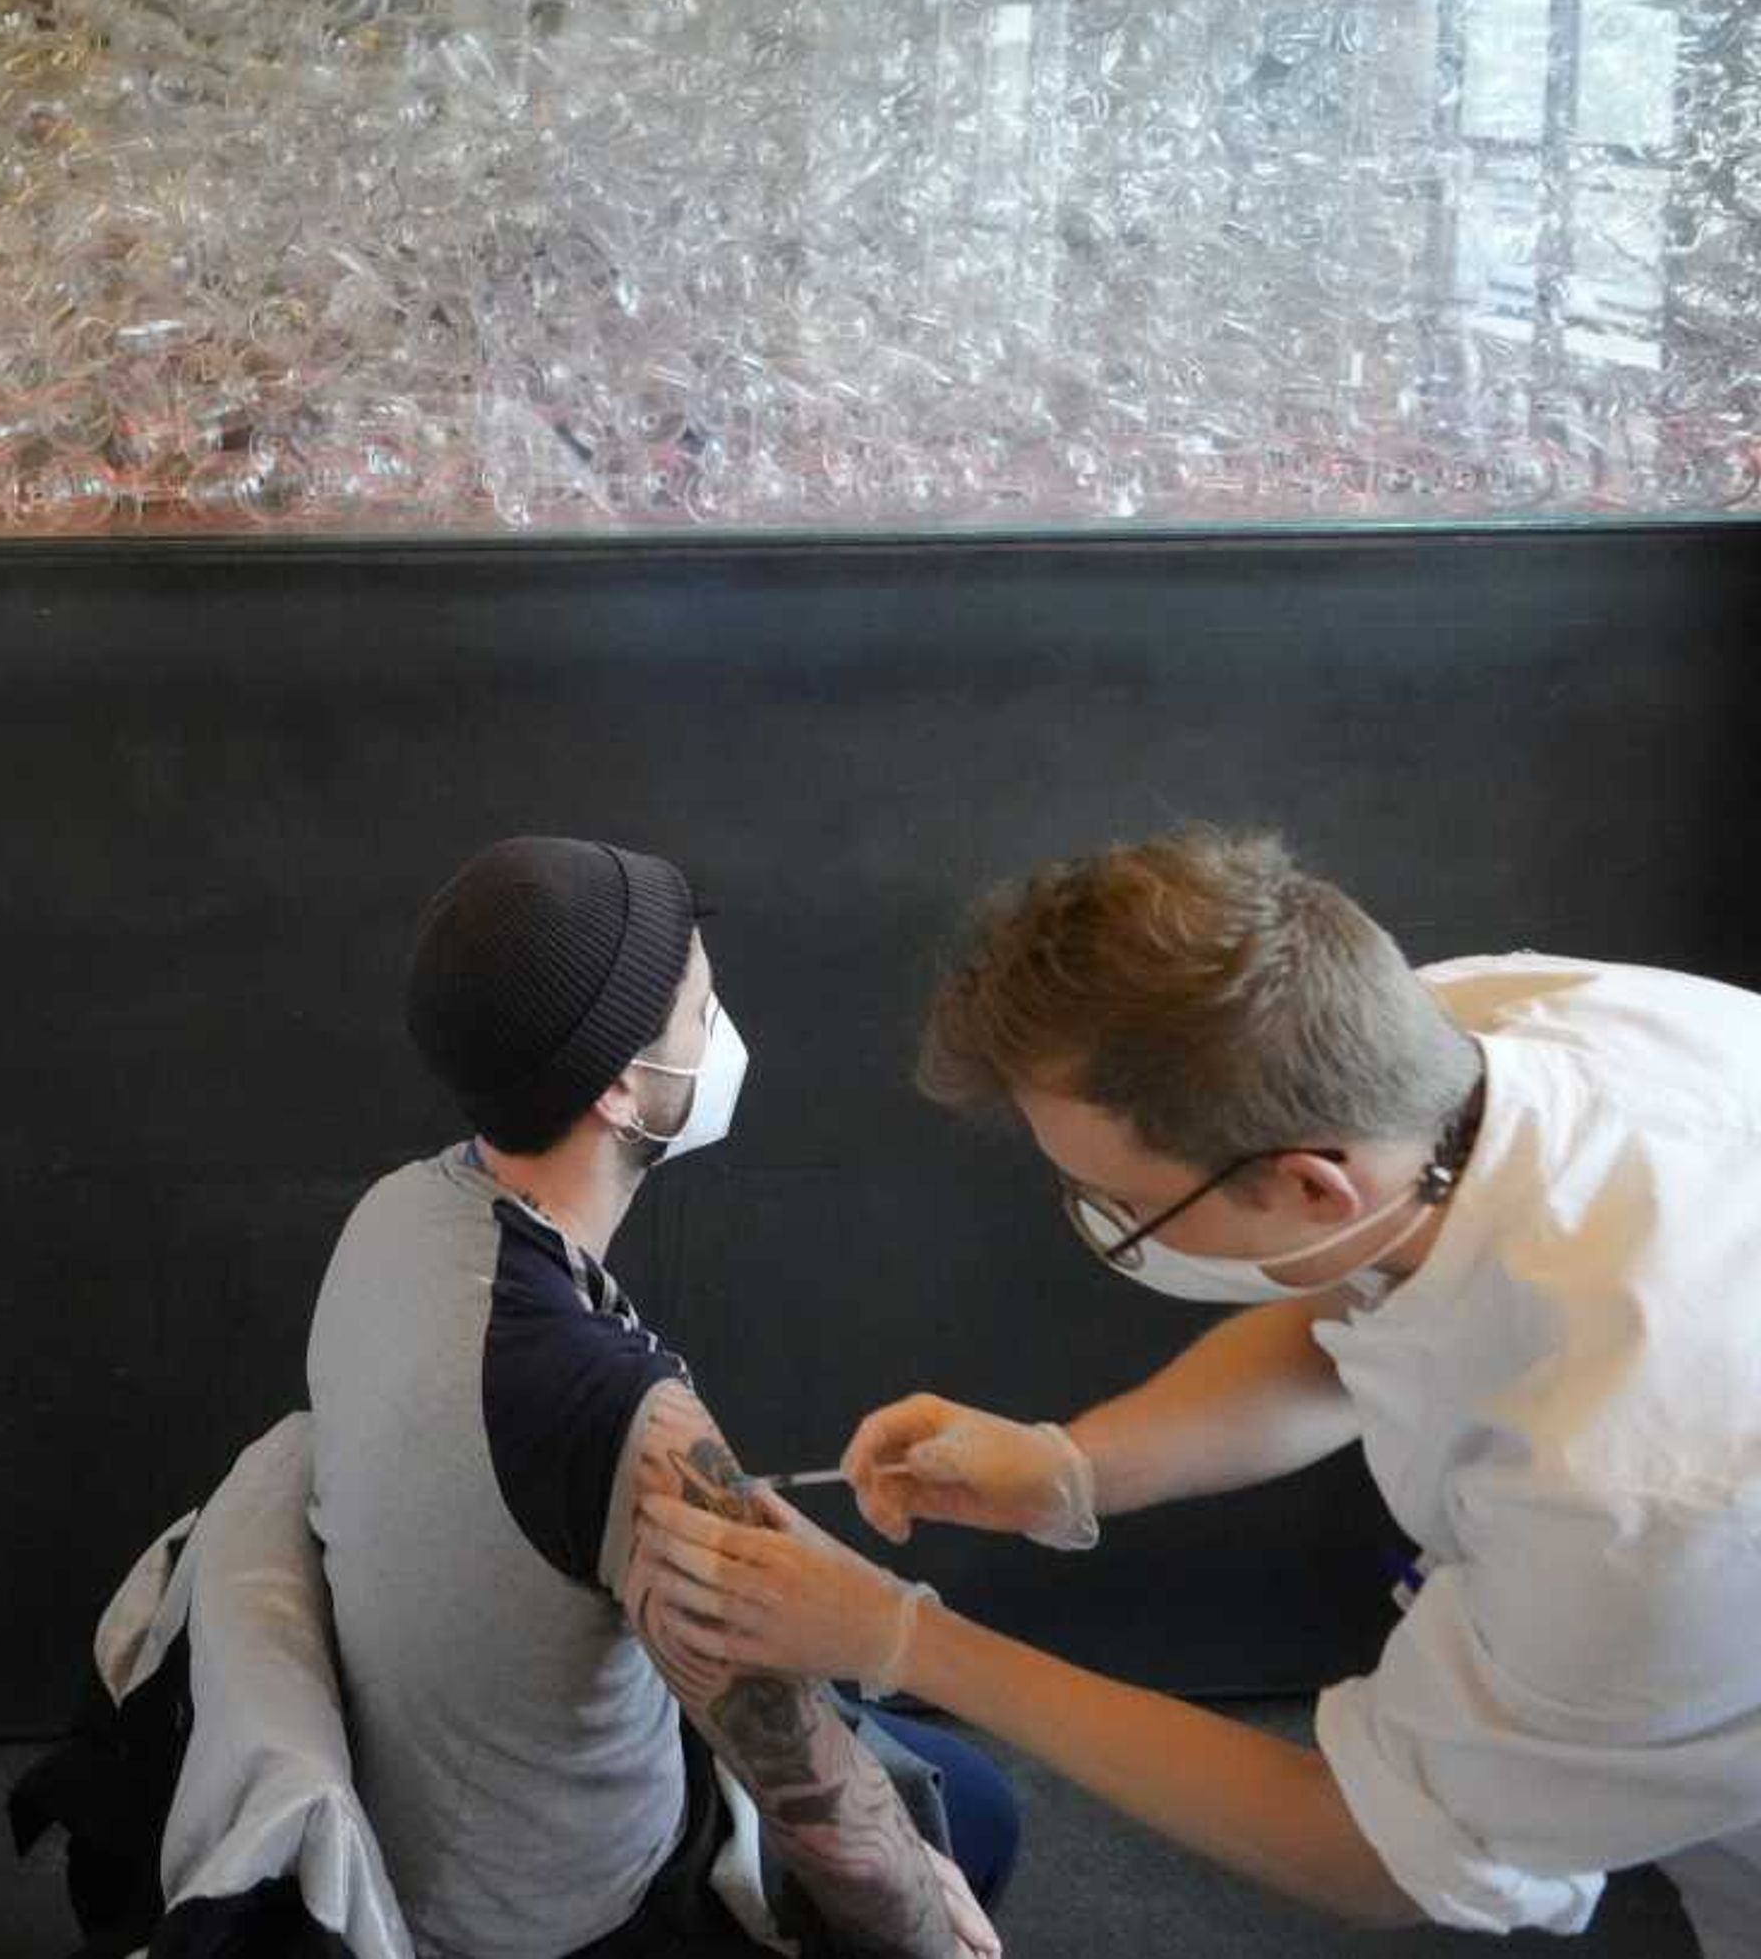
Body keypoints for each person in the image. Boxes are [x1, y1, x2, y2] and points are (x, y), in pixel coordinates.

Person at [636, 825, 1761, 1953]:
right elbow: (1353, 1296)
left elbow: (1372, 1848)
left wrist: (903, 1638)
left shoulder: (1632, 1494)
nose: (1096, 1221)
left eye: (1116, 1198)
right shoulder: (1449, 1043)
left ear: (1311, 1179)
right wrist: (1075, 1466)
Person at [314, 836, 1012, 1959]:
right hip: (585, 1914)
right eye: (702, 1004)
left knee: (951, 1788)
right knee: (978, 1820)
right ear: (622, 1089)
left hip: (440, 1822)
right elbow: (831, 1825)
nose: (725, 1028)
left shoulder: (396, 1215)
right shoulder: (610, 1406)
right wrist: (930, 1925)